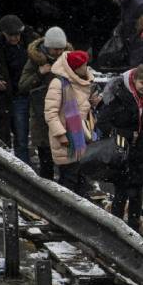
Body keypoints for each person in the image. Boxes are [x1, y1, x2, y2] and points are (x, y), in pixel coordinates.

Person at [95, 65, 143, 232]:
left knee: (137, 193)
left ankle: (134, 229)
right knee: (121, 193)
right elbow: (102, 122)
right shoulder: (119, 96)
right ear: (134, 80)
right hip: (122, 150)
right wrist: (126, 134)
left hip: (140, 152)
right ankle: (117, 230)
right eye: (142, 83)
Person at [0, 15, 39, 163]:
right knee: (20, 136)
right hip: (16, 95)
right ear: (4, 33)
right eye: (11, 35)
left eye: (17, 34)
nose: (15, 38)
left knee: (41, 134)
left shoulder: (32, 42)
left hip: (35, 92)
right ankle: (24, 169)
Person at [18, 26, 71, 178]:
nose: (58, 53)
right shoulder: (35, 61)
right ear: (47, 47)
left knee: (66, 161)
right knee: (46, 159)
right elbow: (22, 86)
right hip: (41, 115)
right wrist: (39, 74)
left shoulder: (69, 59)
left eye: (61, 49)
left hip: (64, 114)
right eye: (55, 49)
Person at [44, 50, 98, 195]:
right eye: (84, 65)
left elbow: (82, 109)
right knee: (69, 180)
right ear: (75, 68)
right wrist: (61, 134)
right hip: (67, 140)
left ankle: (81, 214)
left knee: (82, 180)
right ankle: (65, 214)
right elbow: (50, 113)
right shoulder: (58, 84)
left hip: (81, 139)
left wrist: (92, 103)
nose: (86, 68)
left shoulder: (83, 82)